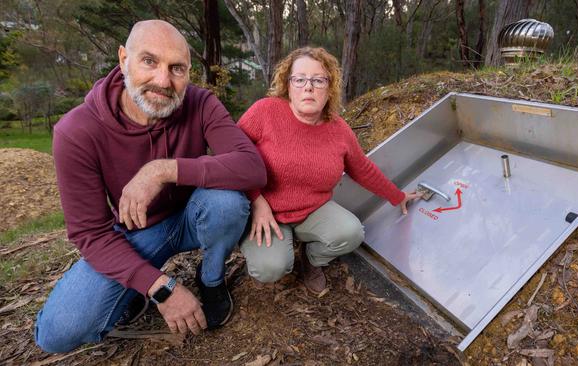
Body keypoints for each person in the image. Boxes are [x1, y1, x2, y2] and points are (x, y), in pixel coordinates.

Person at [34, 20, 266, 353]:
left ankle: (211, 279)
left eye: (177, 68)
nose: (163, 80)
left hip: (192, 216)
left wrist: (162, 170)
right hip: (135, 232)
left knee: (227, 203)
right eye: (149, 61)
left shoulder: (201, 103)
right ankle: (134, 287)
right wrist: (160, 287)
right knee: (57, 334)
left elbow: (251, 167)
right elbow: (91, 235)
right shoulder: (77, 131)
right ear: (123, 59)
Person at [237, 47, 420, 294]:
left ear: (329, 87)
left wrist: (396, 196)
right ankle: (278, 249)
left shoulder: (339, 129)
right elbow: (233, 156)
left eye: (318, 80)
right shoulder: (264, 112)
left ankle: (311, 260)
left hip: (312, 211)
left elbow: (362, 168)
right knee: (270, 268)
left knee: (351, 233)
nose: (308, 87)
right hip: (264, 211)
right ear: (287, 84)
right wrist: (256, 199)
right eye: (299, 79)